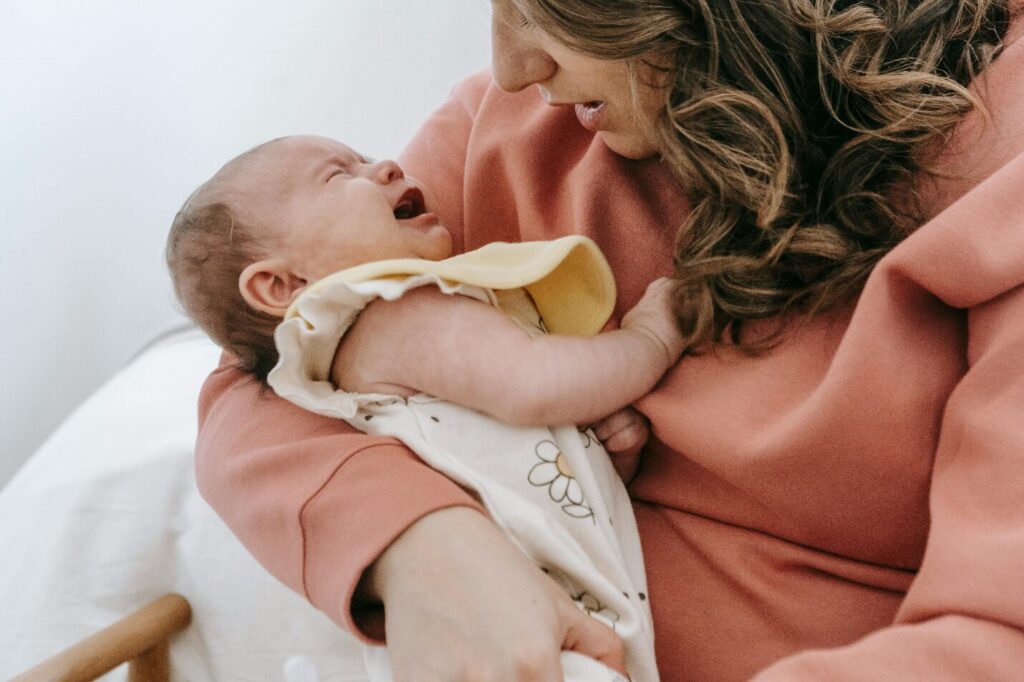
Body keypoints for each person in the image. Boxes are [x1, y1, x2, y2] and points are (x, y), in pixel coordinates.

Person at [195, 0, 1024, 679]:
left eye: (541, 7)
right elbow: (262, 370)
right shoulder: (511, 127)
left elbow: (996, 637)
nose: (514, 68)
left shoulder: (1000, 159)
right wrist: (424, 545)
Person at [167, 134, 689, 679]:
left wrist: (599, 452)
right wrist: (650, 340)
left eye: (365, 156)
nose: (387, 165)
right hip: (520, 631)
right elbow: (534, 384)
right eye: (339, 175)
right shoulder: (393, 315)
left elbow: (522, 467)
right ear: (282, 284)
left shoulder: (393, 337)